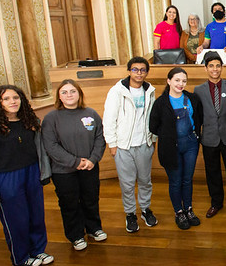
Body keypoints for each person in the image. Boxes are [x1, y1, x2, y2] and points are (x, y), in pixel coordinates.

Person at [0, 85, 53, 266]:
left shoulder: (30, 122)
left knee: (36, 215)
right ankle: (20, 257)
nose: (13, 101)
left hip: (31, 172)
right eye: (6, 99)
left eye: (16, 97)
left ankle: (38, 250)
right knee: (16, 219)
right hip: (7, 178)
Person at [42, 79, 106, 251]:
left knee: (90, 199)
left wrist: (93, 159)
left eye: (72, 91)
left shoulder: (91, 113)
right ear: (59, 96)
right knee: (69, 203)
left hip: (90, 167)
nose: (69, 95)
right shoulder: (51, 118)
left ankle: (94, 228)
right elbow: (51, 146)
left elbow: (100, 138)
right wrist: (76, 162)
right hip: (63, 171)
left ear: (79, 94)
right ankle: (76, 235)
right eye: (64, 92)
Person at [103, 56, 158, 233]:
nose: (139, 73)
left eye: (142, 70)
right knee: (127, 183)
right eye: (135, 69)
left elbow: (153, 117)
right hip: (123, 146)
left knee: (145, 180)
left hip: (144, 143)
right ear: (129, 71)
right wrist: (112, 144)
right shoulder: (117, 91)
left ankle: (145, 209)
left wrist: (153, 139)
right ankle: (130, 214)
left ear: (146, 72)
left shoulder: (150, 90)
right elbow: (109, 119)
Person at [149, 67, 203, 230]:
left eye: (184, 81)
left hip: (191, 145)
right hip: (171, 147)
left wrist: (195, 136)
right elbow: (153, 126)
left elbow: (199, 118)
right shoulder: (161, 102)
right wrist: (168, 136)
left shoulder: (192, 99)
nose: (181, 84)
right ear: (169, 81)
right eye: (177, 80)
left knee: (187, 179)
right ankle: (179, 212)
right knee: (175, 180)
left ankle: (188, 209)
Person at [193, 52, 226, 219]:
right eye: (211, 66)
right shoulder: (198, 90)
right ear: (206, 68)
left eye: (218, 66)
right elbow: (197, 116)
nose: (215, 69)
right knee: (212, 171)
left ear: (222, 67)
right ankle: (216, 202)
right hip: (209, 136)